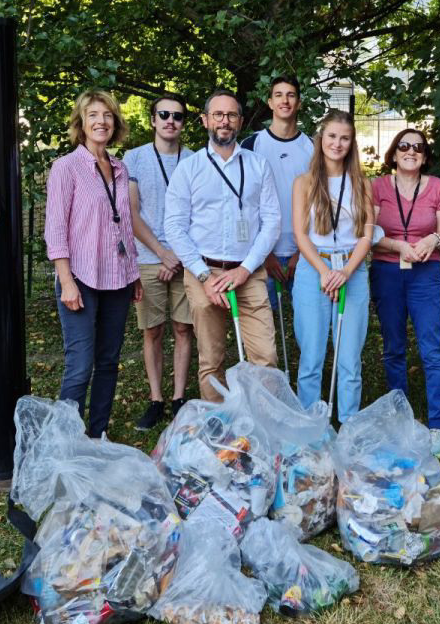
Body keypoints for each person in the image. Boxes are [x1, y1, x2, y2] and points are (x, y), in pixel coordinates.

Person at [163, 88, 281, 402]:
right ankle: (217, 425)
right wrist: (204, 276)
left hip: (248, 272)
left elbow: (272, 221)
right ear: (205, 120)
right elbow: (174, 226)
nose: (224, 121)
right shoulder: (188, 169)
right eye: (218, 114)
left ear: (240, 121)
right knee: (211, 361)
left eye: (231, 115)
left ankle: (259, 422)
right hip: (204, 272)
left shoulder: (258, 165)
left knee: (266, 359)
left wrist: (245, 269)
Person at [45, 89, 143, 438]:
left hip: (118, 278)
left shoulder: (120, 168)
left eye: (107, 115)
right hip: (80, 278)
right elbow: (55, 230)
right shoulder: (66, 168)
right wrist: (66, 281)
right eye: (93, 115)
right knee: (80, 364)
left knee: (108, 362)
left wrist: (134, 274)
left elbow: (124, 225)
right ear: (81, 123)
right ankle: (65, 443)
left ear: (115, 122)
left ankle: (97, 436)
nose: (101, 122)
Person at [370, 127, 440, 457]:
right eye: (404, 146)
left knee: (432, 348)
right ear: (393, 153)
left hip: (425, 273)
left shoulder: (437, 187)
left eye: (418, 147)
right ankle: (400, 420)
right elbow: (369, 234)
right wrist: (398, 246)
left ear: (425, 155)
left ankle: (439, 425)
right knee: (394, 348)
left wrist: (433, 239)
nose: (410, 151)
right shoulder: (378, 187)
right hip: (388, 272)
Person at [292, 109, 374, 422]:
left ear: (351, 143)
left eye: (344, 138)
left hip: (351, 269)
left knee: (349, 359)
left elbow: (366, 235)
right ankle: (310, 426)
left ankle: (349, 424)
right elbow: (301, 234)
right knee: (311, 356)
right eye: (332, 136)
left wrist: (345, 272)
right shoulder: (304, 183)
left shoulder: (362, 183)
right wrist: (326, 272)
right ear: (321, 139)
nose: (337, 144)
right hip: (314, 268)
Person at [124, 96, 194, 430]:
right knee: (152, 330)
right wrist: (161, 253)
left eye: (177, 116)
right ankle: (156, 399)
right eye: (164, 114)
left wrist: (176, 256)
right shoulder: (134, 158)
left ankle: (179, 398)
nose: (170, 120)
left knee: (183, 328)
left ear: (183, 123)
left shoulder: (194, 160)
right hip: (148, 258)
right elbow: (131, 213)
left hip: (184, 259)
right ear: (153, 119)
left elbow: (198, 214)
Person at [240, 76, 314, 306]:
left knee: (308, 321)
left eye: (291, 95)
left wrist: (303, 252)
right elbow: (242, 204)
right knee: (263, 323)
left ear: (299, 103)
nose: (285, 100)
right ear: (270, 102)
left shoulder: (314, 147)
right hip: (262, 254)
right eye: (279, 95)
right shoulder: (250, 146)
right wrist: (263, 253)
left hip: (305, 254)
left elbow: (320, 203)